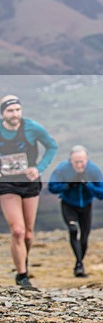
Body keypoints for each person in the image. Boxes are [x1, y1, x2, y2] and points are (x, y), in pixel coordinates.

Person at [0, 95, 58, 290]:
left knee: (28, 234)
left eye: (17, 110)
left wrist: (39, 168)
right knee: (17, 230)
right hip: (6, 184)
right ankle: (22, 275)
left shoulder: (32, 128)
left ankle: (23, 259)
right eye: (10, 110)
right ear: (3, 113)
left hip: (29, 183)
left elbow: (52, 146)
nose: (15, 114)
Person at [48, 145, 103, 277]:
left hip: (86, 205)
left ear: (87, 160)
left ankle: (78, 263)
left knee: (84, 238)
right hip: (69, 204)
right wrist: (67, 185)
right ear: (70, 160)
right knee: (73, 230)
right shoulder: (63, 169)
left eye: (82, 162)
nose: (80, 165)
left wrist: (89, 185)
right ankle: (80, 264)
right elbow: (52, 187)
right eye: (76, 162)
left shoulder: (93, 170)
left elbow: (102, 193)